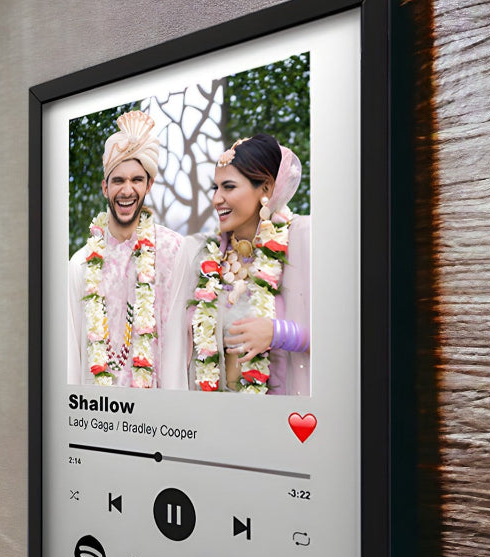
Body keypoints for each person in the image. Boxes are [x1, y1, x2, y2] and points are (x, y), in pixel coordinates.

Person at [68, 110, 186, 388]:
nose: (127, 190)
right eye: (118, 180)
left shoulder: (173, 251)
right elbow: (70, 358)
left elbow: (182, 347)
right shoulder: (81, 264)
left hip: (161, 418)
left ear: (149, 185)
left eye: (137, 180)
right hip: (100, 417)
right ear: (104, 188)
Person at [187, 134, 309, 395]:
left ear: (265, 188)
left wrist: (279, 333)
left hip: (276, 419)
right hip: (217, 418)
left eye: (228, 187)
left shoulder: (302, 238)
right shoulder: (208, 256)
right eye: (215, 188)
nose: (216, 199)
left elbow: (348, 332)